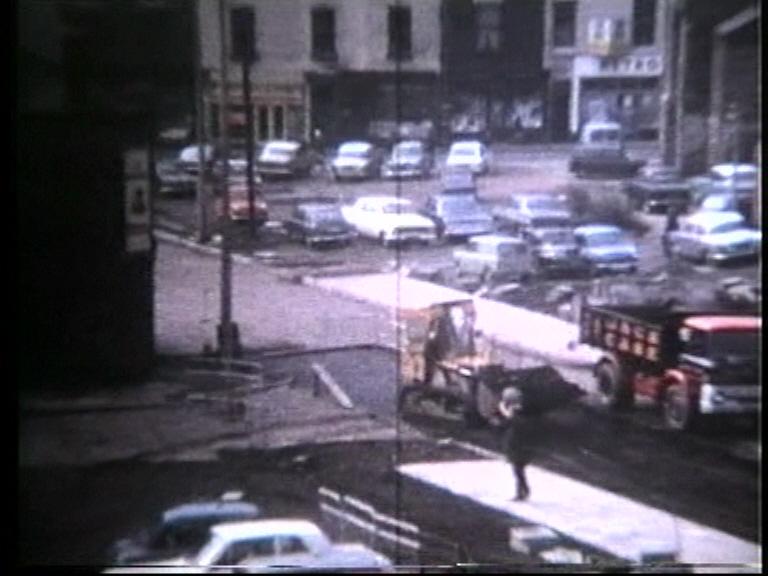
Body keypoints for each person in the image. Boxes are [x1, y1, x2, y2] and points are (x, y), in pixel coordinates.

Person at [498, 387, 544, 501]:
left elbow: (511, 422)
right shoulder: (524, 411)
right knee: (519, 469)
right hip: (522, 443)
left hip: (518, 445)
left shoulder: (517, 413)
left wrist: (504, 411)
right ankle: (522, 490)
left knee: (518, 469)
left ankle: (522, 491)